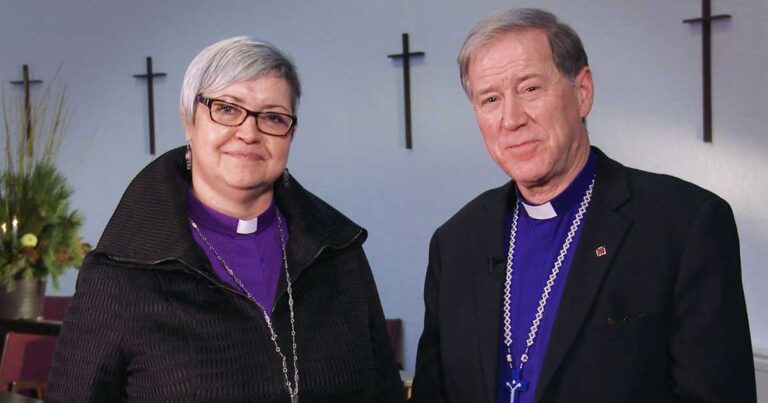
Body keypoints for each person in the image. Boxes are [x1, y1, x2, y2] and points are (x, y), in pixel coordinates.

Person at [410, 8, 755, 403]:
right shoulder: (456, 242)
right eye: (490, 99)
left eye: (530, 89)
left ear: (582, 92)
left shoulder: (683, 224)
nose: (511, 118)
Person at [47, 36, 404, 402]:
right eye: (227, 109)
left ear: (290, 134)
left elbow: (384, 393)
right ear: (189, 121)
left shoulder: (338, 253)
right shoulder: (120, 274)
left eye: (272, 117)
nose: (249, 133)